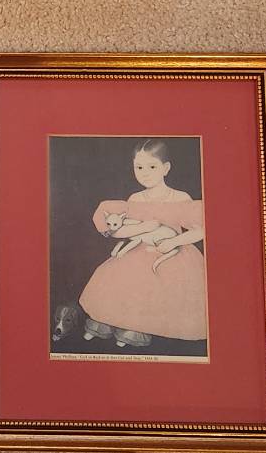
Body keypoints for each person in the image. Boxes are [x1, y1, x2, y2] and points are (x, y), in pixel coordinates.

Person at [78, 139, 206, 349]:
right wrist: (142, 228)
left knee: (157, 286)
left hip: (171, 252)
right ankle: (107, 322)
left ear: (166, 168)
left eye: (152, 167)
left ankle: (137, 329)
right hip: (139, 249)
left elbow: (200, 230)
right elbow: (123, 230)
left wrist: (173, 241)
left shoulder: (180, 198)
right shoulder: (135, 199)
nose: (144, 173)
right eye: (139, 167)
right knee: (120, 280)